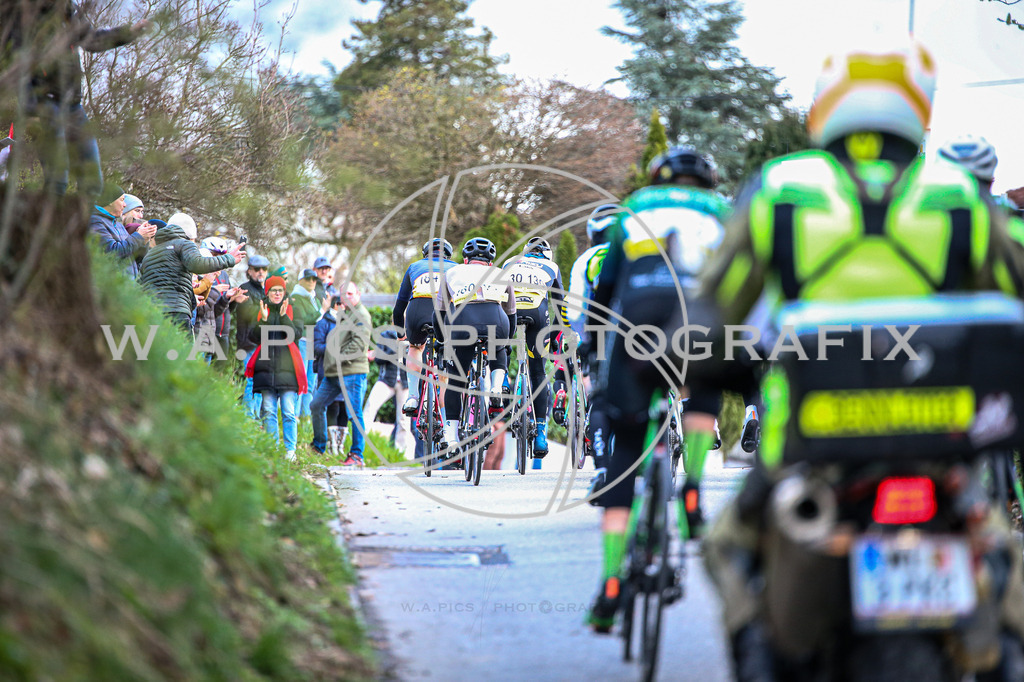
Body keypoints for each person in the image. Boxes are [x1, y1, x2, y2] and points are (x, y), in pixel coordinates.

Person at [691, 41, 1024, 680]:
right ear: (916, 109)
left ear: (827, 110)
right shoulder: (958, 192)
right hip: (943, 441)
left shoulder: (780, 190)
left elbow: (714, 309)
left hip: (810, 445)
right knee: (1001, 558)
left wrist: (696, 359)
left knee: (728, 545)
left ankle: (762, 661)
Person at [585, 144, 730, 632]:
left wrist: (591, 345)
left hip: (639, 319)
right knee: (705, 387)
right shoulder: (722, 211)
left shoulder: (636, 209)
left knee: (625, 442)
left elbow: (604, 287)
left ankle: (609, 582)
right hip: (700, 313)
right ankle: (691, 490)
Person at [1, 0, 150, 195]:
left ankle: (84, 223)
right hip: (44, 105)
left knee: (93, 181)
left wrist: (128, 33)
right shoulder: (23, 16)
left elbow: (92, 40)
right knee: (57, 180)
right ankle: (52, 221)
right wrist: (30, 110)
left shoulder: (67, 10)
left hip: (72, 105)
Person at [436, 238, 516, 461]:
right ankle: (497, 388)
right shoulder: (501, 272)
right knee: (497, 348)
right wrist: (505, 343)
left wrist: (443, 342)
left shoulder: (452, 272)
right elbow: (512, 314)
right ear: (490, 263)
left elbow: (440, 313)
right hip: (496, 320)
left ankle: (451, 438)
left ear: (465, 260)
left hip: (463, 322)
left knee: (457, 380)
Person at [500, 237, 571, 466]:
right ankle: (540, 433)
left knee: (500, 346)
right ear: (546, 255)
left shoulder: (510, 261)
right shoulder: (551, 267)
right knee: (538, 371)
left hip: (508, 312)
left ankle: (500, 382)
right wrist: (558, 335)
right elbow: (560, 303)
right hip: (537, 314)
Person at [138, 212, 242, 334]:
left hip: (153, 312)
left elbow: (141, 283)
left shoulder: (151, 253)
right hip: (177, 311)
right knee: (183, 352)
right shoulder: (184, 244)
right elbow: (197, 264)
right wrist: (229, 259)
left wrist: (192, 301)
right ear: (190, 234)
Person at [394, 238, 458, 420]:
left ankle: (413, 396)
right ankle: (446, 422)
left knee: (415, 347)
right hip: (446, 312)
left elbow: (399, 309)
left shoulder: (415, 267)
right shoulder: (456, 268)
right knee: (447, 360)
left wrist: (401, 335)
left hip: (418, 311)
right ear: (448, 255)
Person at [244, 275, 306, 460]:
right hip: (266, 369)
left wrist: (284, 316)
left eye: (280, 290)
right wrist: (263, 320)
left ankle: (290, 451)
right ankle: (273, 448)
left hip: (288, 370)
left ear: (284, 292)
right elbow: (254, 337)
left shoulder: (293, 310)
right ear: (267, 292)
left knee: (288, 411)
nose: (277, 294)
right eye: (273, 290)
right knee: (269, 411)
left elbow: (295, 335)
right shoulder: (261, 310)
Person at [313, 282, 373, 466]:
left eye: (350, 293)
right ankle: (319, 446)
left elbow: (357, 345)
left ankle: (357, 455)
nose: (347, 297)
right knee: (316, 405)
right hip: (334, 374)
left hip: (352, 372)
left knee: (354, 413)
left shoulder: (361, 315)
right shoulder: (345, 314)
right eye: (343, 294)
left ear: (358, 294)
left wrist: (337, 358)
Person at [88, 181, 155, 280]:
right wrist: (139, 236)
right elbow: (112, 252)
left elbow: (134, 257)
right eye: (122, 200)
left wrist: (145, 239)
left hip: (128, 286)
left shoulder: (118, 225)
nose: (124, 205)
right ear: (110, 201)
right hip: (111, 286)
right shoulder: (95, 222)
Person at [362, 328, 412, 458]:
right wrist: (395, 349)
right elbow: (378, 358)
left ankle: (400, 453)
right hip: (386, 381)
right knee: (370, 408)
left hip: (405, 383)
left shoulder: (412, 336)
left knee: (404, 420)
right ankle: (360, 445)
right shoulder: (386, 335)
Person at [313, 295, 349, 455]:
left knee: (344, 408)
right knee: (332, 406)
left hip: (346, 371)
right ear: (337, 305)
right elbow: (317, 348)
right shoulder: (323, 324)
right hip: (328, 371)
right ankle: (330, 445)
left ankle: (340, 447)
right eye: (344, 304)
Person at [237, 254, 270, 419]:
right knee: (251, 381)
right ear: (249, 271)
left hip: (263, 343)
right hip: (249, 343)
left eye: (264, 269)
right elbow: (249, 315)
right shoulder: (244, 288)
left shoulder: (267, 291)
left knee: (260, 382)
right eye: (257, 269)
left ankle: (255, 417)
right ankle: (248, 416)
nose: (261, 272)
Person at [290, 269, 321, 419]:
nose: (311, 282)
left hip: (313, 343)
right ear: (300, 280)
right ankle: (294, 416)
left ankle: (306, 418)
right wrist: (322, 312)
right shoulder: (296, 297)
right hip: (302, 342)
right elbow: (303, 320)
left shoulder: (314, 298)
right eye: (308, 279)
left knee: (310, 383)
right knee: (300, 381)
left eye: (314, 279)